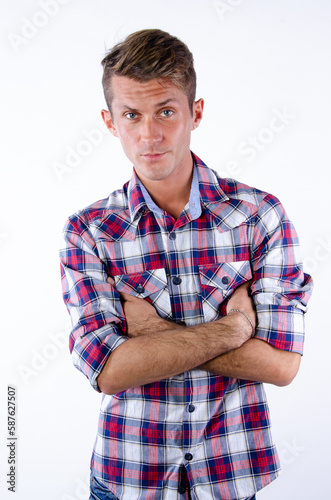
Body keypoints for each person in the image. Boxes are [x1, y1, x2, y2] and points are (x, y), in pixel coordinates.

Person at [59, 29, 313, 500]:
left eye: (167, 112)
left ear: (196, 113)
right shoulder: (88, 232)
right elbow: (108, 370)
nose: (149, 134)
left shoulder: (260, 217)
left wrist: (152, 333)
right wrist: (236, 329)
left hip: (230, 476)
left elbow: (280, 366)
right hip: (128, 479)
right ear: (110, 121)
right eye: (131, 115)